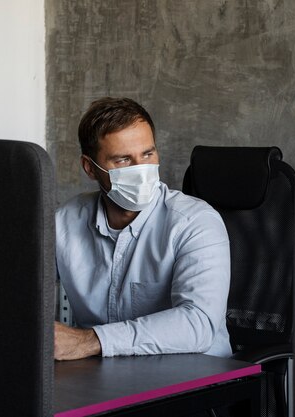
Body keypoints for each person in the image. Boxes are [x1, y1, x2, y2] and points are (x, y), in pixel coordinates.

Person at [54, 97, 232, 359]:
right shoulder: (64, 222)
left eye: (148, 154)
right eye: (124, 160)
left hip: (196, 380)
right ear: (90, 168)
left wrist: (91, 340)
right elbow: (20, 293)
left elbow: (198, 324)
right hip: (105, 378)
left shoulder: (195, 222)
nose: (141, 170)